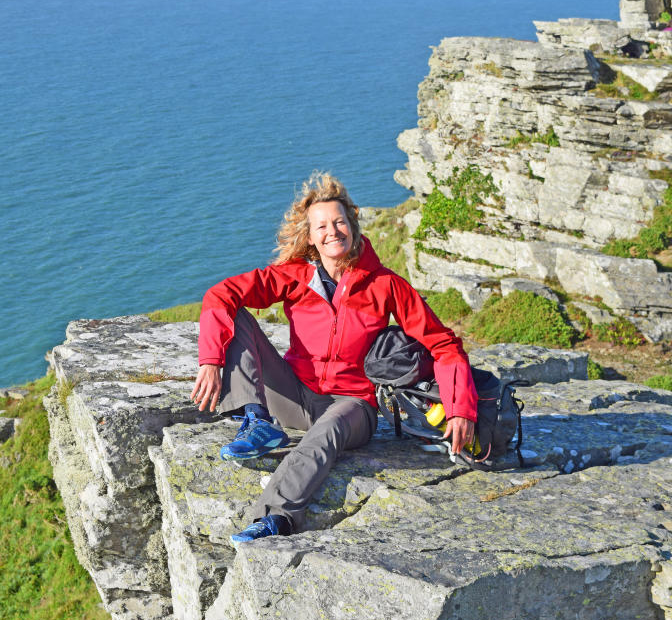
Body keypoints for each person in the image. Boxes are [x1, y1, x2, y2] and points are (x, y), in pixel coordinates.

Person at [190, 171, 478, 543]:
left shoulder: (386, 284)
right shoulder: (293, 277)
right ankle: (258, 422)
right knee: (236, 314)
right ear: (310, 237)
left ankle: (275, 515)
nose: (333, 231)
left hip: (354, 407)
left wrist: (460, 408)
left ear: (353, 227)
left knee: (326, 431)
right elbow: (220, 295)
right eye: (322, 226)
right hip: (295, 395)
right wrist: (211, 361)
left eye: (340, 222)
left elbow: (443, 345)